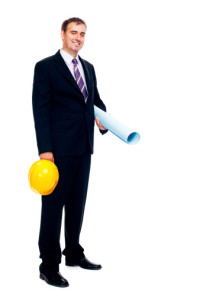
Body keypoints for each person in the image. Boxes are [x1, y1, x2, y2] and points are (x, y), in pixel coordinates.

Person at [32, 17, 107, 288]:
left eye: (83, 34)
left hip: (84, 147)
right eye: (74, 32)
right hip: (58, 151)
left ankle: (73, 254)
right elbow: (40, 110)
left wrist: (104, 119)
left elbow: (94, 101)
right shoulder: (46, 67)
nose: (78, 37)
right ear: (62, 34)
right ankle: (48, 266)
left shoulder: (89, 68)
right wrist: (45, 150)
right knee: (52, 209)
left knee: (77, 205)